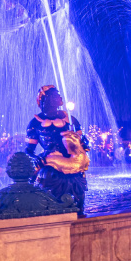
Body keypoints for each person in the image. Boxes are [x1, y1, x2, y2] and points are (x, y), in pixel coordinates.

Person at [25, 85, 90, 214]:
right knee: (46, 176)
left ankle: (78, 209)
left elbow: (82, 141)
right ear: (46, 99)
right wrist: (35, 158)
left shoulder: (70, 119)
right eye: (56, 95)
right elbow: (29, 150)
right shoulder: (35, 123)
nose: (60, 97)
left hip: (71, 160)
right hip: (50, 161)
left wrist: (84, 142)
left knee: (78, 183)